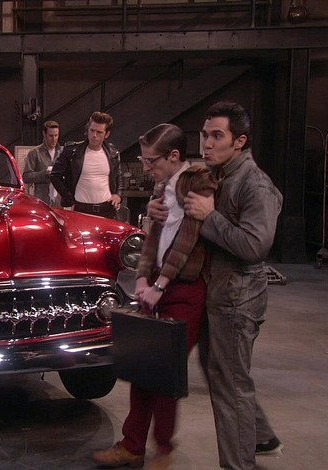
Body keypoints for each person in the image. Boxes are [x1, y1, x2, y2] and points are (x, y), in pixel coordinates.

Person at [91, 123, 217, 469]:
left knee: (164, 370)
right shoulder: (163, 186)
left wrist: (160, 284)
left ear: (174, 156)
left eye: (151, 161)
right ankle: (132, 445)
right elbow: (153, 239)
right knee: (142, 365)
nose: (146, 167)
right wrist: (143, 277)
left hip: (185, 290)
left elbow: (188, 239)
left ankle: (163, 449)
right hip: (156, 286)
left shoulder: (198, 182)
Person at [183, 101, 283, 469]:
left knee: (231, 387)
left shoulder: (254, 184)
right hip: (219, 292)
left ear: (239, 141)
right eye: (204, 135)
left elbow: (255, 246)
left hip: (238, 297)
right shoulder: (217, 175)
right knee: (220, 373)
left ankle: (238, 464)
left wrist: (210, 218)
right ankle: (261, 437)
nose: (207, 143)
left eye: (216, 136)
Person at [50, 111, 122, 219]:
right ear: (87, 130)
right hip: (81, 208)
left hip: (107, 209)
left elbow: (118, 176)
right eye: (92, 130)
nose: (94, 135)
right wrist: (69, 199)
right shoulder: (72, 151)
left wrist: (118, 195)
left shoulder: (113, 153)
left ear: (106, 134)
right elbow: (55, 176)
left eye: (99, 132)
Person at [22, 120, 63, 206]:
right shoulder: (35, 153)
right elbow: (26, 177)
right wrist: (44, 173)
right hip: (42, 201)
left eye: (56, 135)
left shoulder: (62, 152)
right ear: (44, 134)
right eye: (51, 136)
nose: (54, 139)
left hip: (58, 201)